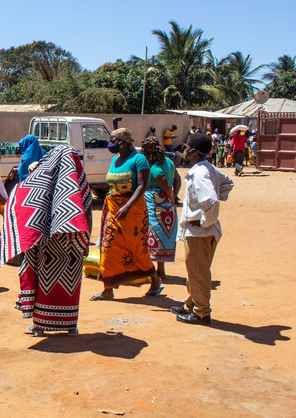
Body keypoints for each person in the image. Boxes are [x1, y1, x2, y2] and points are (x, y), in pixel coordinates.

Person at [2, 145, 92, 336]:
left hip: (47, 247)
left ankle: (40, 324)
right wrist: (85, 242)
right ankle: (70, 325)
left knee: (45, 284)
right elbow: (87, 214)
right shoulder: (77, 184)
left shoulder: (43, 184)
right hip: (72, 246)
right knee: (70, 286)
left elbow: (22, 204)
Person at [90, 128, 163, 301]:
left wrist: (128, 206)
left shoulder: (139, 159)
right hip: (114, 208)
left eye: (114, 141)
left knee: (136, 248)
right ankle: (108, 289)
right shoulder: (115, 160)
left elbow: (142, 185)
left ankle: (155, 279)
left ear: (125, 141)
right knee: (107, 246)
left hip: (133, 209)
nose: (111, 144)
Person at [171, 133, 234, 324]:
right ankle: (191, 303)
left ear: (193, 151)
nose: (184, 150)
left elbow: (211, 201)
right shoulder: (208, 168)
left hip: (200, 232)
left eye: (186, 147)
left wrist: (205, 221)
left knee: (198, 271)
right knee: (195, 269)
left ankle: (201, 312)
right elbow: (227, 184)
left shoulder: (199, 173)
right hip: (202, 230)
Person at [141, 137, 181, 281]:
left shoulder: (155, 168)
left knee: (154, 235)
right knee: (162, 236)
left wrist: (171, 195)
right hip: (167, 206)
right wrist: (174, 197)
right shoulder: (169, 162)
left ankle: (156, 273)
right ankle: (160, 271)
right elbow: (178, 179)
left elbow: (166, 185)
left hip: (156, 205)